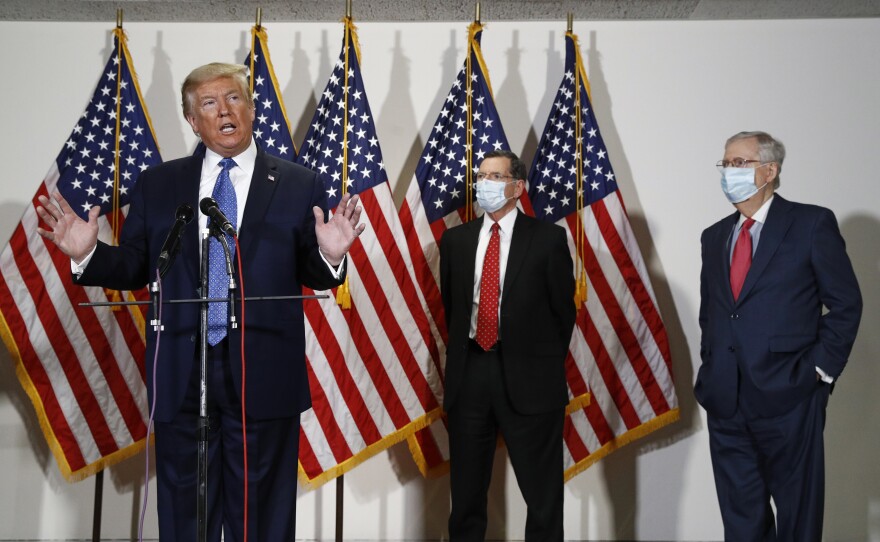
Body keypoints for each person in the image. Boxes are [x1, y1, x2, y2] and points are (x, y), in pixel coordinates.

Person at [35, 63, 364, 542]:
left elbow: (310, 271)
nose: (224, 111)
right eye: (209, 103)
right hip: (183, 373)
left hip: (264, 371)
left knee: (263, 520)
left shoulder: (300, 183)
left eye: (234, 99)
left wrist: (331, 257)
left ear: (251, 110)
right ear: (193, 120)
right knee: (186, 516)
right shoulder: (158, 185)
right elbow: (135, 266)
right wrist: (89, 253)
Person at [695, 131, 862, 541]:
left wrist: (819, 372)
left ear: (770, 171)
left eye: (739, 163)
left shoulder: (810, 223)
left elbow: (845, 304)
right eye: (725, 164)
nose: (728, 172)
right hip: (726, 402)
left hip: (790, 397)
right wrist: (713, 365)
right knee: (741, 521)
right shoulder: (714, 236)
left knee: (797, 519)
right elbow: (713, 314)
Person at [440, 150, 576, 541]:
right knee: (465, 499)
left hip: (531, 379)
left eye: (495, 177)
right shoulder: (455, 241)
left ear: (518, 187)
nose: (484, 184)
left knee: (543, 498)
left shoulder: (548, 239)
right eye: (481, 175)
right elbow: (453, 306)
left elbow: (562, 315)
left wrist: (534, 359)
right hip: (470, 379)